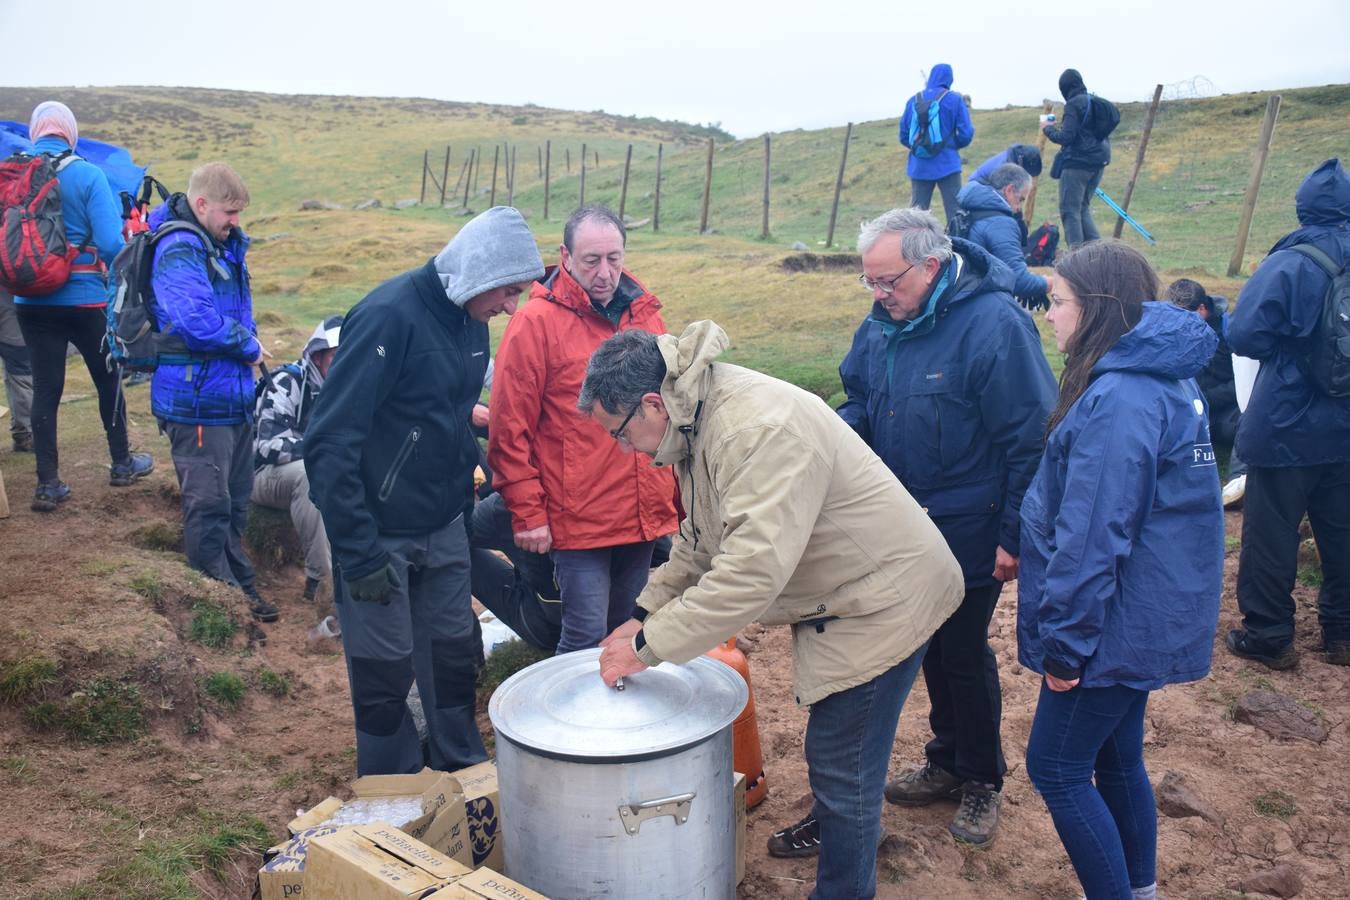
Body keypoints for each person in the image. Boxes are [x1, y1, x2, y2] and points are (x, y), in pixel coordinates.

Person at [583, 322, 964, 900]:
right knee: (838, 755)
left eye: (618, 433)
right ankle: (839, 824)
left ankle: (843, 884)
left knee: (843, 761)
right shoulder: (694, 421)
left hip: (885, 596)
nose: (622, 448)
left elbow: (749, 573)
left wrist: (646, 648)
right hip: (845, 591)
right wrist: (643, 613)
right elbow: (700, 540)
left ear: (652, 403)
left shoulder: (751, 430)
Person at [838, 208, 1057, 847]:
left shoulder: (996, 327)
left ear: (931, 266)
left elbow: (1032, 441)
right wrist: (841, 432)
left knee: (960, 650)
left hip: (972, 527)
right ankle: (946, 759)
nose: (878, 296)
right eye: (869, 283)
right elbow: (859, 396)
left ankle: (981, 776)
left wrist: (1014, 537)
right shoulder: (883, 324)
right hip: (903, 525)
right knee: (931, 645)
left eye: (888, 282)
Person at [304, 206, 544, 776]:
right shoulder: (387, 318)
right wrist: (357, 550)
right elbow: (329, 440)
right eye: (508, 291)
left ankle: (461, 771)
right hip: (378, 532)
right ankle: (392, 788)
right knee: (384, 668)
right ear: (478, 272)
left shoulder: (471, 320)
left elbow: (450, 416)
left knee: (454, 653)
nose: (512, 306)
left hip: (442, 524)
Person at [1020, 239, 1223, 900]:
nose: (1049, 317)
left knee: (1054, 767)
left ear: (1097, 308)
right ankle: (1140, 889)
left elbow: (1093, 537)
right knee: (1114, 756)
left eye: (1057, 303)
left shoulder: (1121, 398)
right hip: (1142, 613)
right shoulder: (1161, 377)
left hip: (1110, 625)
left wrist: (1066, 649)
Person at [488, 204, 677, 654]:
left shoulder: (644, 314)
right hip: (579, 517)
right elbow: (507, 428)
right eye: (592, 260)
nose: (605, 272)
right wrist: (529, 513)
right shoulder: (535, 323)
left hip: (639, 512)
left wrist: (673, 496)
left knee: (624, 632)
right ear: (566, 256)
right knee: (582, 635)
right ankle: (564, 724)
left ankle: (616, 721)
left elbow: (670, 405)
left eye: (614, 258)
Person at [1225, 158, 1350, 670]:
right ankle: (1343, 635)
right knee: (1342, 529)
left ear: (1303, 208)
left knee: (1272, 530)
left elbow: (1243, 335)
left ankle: (1270, 635)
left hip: (1288, 423)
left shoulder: (1292, 262)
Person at [11, 101, 152, 511]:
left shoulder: (12, 174)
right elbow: (111, 244)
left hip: (30, 300)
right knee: (108, 380)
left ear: (37, 131)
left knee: (45, 388)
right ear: (69, 132)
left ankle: (47, 484)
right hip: (87, 298)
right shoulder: (88, 175)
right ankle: (122, 464)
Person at [149, 162, 274, 622]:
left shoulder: (221, 246)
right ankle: (215, 605)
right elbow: (195, 321)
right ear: (201, 204)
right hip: (196, 401)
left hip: (230, 399)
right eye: (229, 211)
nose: (235, 221)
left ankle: (238, 583)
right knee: (208, 502)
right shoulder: (179, 248)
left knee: (235, 497)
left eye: (239, 212)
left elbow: (237, 311)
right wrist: (248, 345)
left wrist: (250, 342)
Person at [252, 315, 343, 604]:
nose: (343, 363)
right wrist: (323, 449)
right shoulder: (285, 382)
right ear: (317, 357)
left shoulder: (348, 389)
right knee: (310, 473)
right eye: (335, 356)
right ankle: (322, 582)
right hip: (261, 476)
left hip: (322, 473)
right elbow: (264, 447)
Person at [1164, 278, 1248, 506]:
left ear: (1202, 309)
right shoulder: (1170, 331)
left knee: (1248, 418)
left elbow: (1243, 384)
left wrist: (1205, 399)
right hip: (1185, 410)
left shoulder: (1231, 332)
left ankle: (1236, 486)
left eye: (1184, 316)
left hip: (1222, 412)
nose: (1178, 323)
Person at [954, 163, 1050, 308]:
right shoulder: (1000, 223)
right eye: (1021, 200)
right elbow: (1018, 281)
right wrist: (1048, 283)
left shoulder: (969, 208)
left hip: (961, 298)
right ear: (1009, 190)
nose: (1019, 208)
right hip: (984, 305)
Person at [898, 64, 974, 222]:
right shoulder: (954, 100)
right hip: (947, 163)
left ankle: (915, 246)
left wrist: (920, 148)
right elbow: (966, 134)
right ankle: (956, 246)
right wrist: (952, 146)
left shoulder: (913, 99)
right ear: (950, 79)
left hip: (919, 165)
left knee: (916, 216)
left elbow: (904, 135)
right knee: (955, 213)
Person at [1043, 69, 1111, 248]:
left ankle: (1076, 258)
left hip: (1077, 164)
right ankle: (1098, 255)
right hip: (1098, 162)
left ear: (1065, 88)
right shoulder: (1093, 101)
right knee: (1082, 208)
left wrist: (1048, 128)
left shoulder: (1073, 104)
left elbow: (1066, 137)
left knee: (1070, 211)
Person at [0, 289, 33, 453]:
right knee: (21, 376)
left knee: (18, 375)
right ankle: (25, 435)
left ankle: (23, 434)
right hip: (11, 304)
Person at [970, 143, 1043, 185]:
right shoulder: (1005, 168)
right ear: (1021, 165)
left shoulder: (1016, 155)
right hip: (979, 186)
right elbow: (1001, 193)